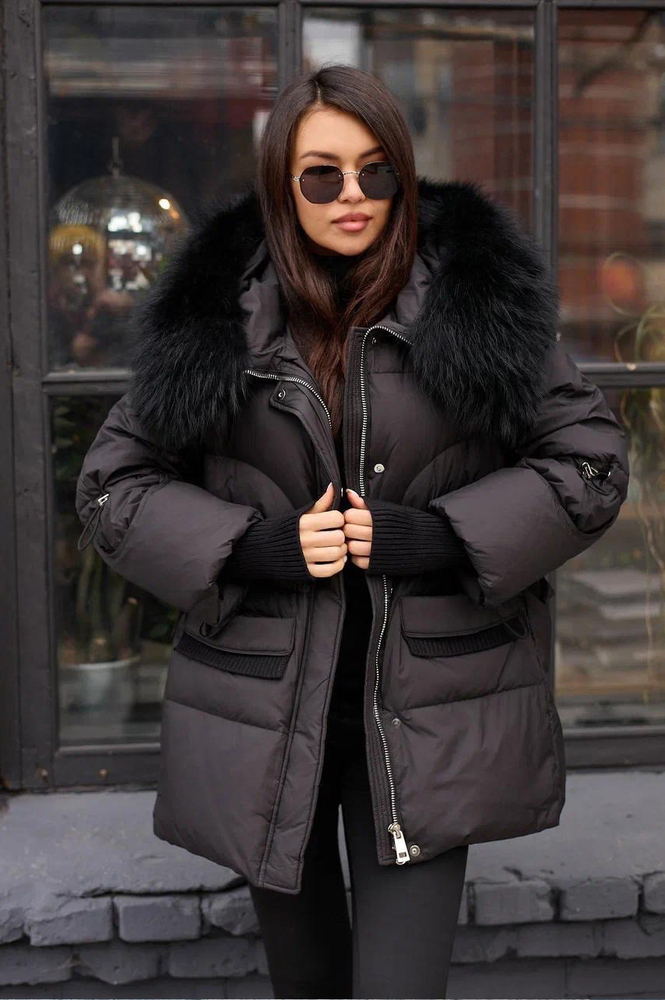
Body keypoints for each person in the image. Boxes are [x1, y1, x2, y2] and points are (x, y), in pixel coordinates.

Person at [75, 64, 630, 999]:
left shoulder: (474, 299)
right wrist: (252, 546)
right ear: (281, 186)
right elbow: (112, 486)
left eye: (377, 171)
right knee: (307, 984)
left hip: (427, 710)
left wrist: (441, 536)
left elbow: (591, 461)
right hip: (262, 709)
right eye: (321, 174)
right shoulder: (214, 313)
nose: (352, 196)